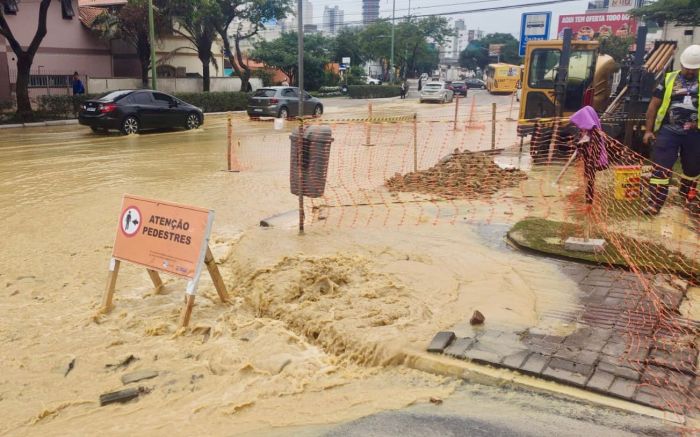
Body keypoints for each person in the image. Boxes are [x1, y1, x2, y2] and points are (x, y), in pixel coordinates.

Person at [643, 45, 700, 216]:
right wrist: (648, 130)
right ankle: (654, 203)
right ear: (681, 64)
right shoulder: (668, 79)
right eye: (686, 68)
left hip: (695, 134)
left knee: (692, 168)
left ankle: (687, 195)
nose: (689, 72)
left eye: (693, 69)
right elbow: (653, 106)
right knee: (661, 167)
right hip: (669, 131)